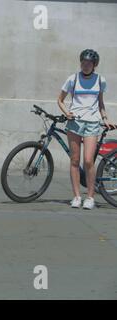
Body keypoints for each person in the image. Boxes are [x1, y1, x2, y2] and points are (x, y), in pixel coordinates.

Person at [57, 49, 114, 210]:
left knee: (88, 161)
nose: (85, 65)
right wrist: (67, 112)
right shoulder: (73, 79)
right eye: (83, 62)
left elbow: (100, 102)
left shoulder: (100, 80)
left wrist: (105, 118)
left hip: (92, 123)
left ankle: (90, 197)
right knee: (74, 161)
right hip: (74, 123)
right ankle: (76, 196)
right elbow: (60, 100)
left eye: (89, 63)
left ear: (94, 65)